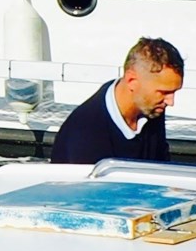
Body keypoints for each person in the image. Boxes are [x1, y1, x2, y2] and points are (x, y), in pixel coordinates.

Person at [50, 37, 184, 165]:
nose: (170, 102)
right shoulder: (85, 135)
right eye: (164, 92)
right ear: (132, 81)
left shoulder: (151, 107)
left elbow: (161, 164)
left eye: (174, 92)